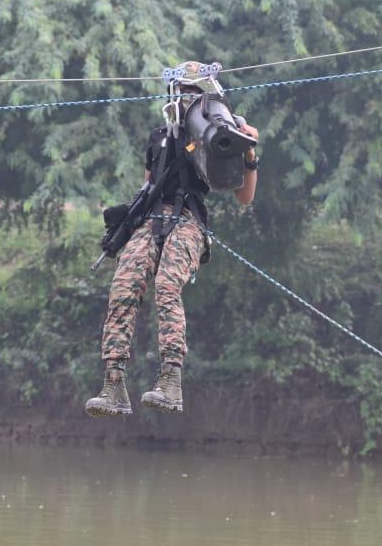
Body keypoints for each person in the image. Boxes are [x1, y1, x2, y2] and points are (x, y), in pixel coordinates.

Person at [85, 61, 259, 417]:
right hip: (152, 219)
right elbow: (148, 184)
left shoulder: (220, 133)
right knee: (124, 285)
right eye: (182, 91)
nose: (186, 99)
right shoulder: (159, 136)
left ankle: (171, 381)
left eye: (194, 93)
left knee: (167, 285)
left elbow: (243, 198)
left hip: (189, 221)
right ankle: (113, 384)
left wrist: (248, 151)